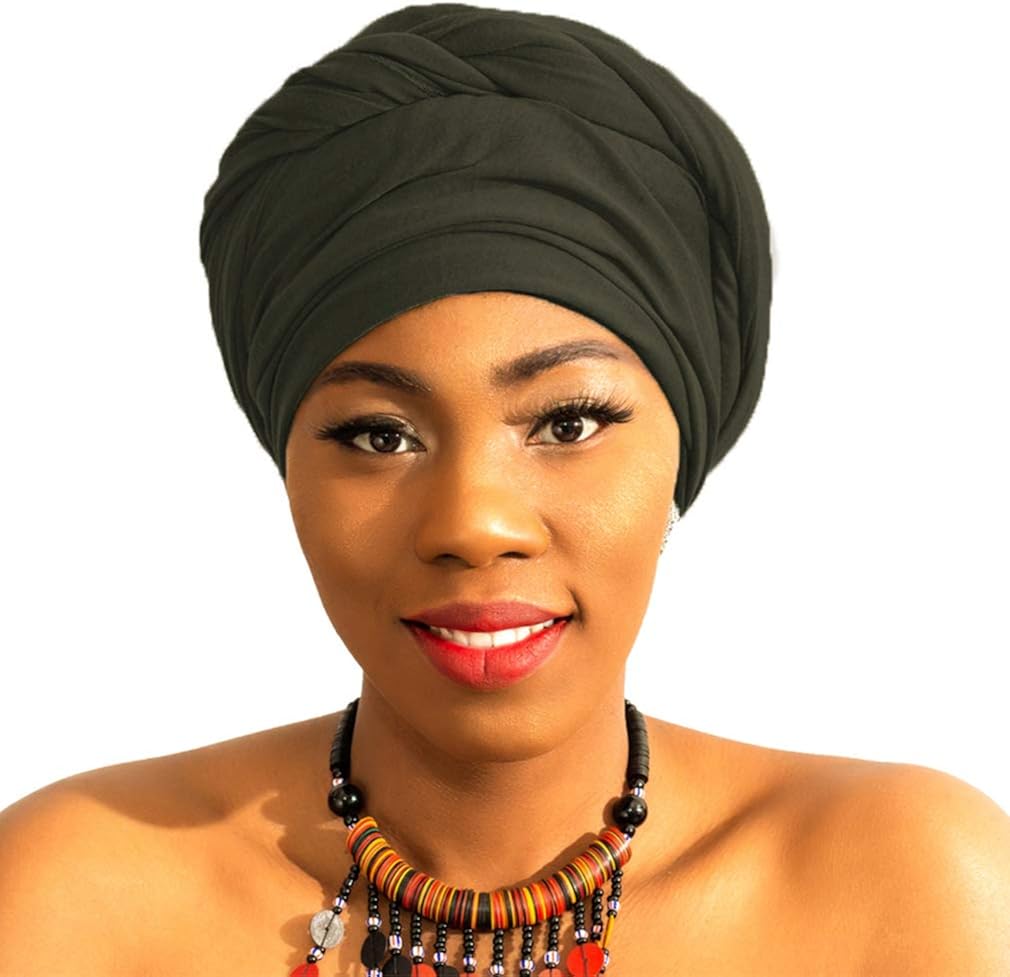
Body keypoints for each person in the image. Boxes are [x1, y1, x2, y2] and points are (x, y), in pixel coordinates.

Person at [2, 4, 1009, 976]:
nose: (473, 523)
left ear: (682, 447)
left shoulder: (914, 886)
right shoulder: (65, 897)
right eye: (379, 434)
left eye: (567, 423)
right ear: (288, 460)